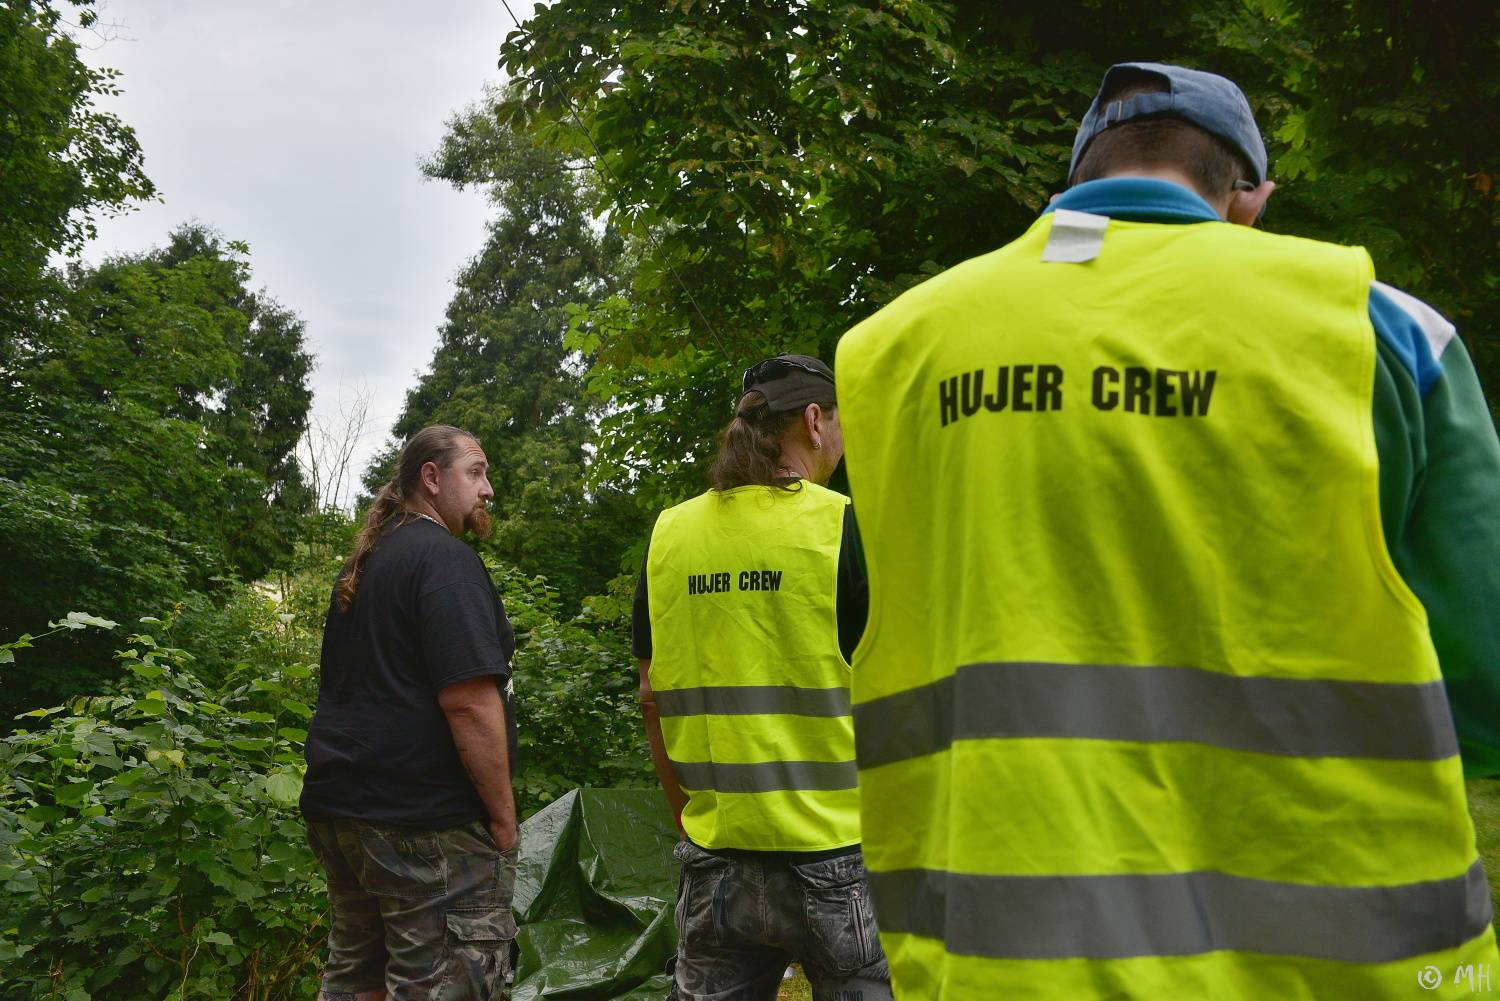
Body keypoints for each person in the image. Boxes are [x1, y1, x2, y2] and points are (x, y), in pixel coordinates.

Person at [835, 62, 1500, 999]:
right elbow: (1490, 682)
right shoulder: (1380, 332)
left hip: (1003, 967)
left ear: (1064, 190)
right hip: (1338, 969)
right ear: (1248, 199)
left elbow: (875, 630)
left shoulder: (889, 356)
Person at [633, 354, 892, 1001]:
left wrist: (693, 824)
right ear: (813, 420)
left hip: (718, 858)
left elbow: (650, 698)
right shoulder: (844, 529)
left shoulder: (672, 536)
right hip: (838, 857)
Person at [301, 424, 520, 1001]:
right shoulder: (444, 562)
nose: (488, 489)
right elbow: (470, 702)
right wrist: (503, 818)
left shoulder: (371, 561)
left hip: (347, 809)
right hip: (423, 824)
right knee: (443, 983)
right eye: (475, 472)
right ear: (431, 477)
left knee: (358, 981)